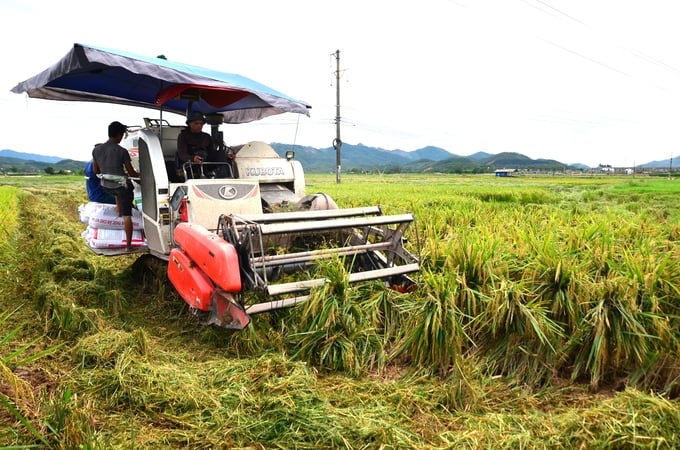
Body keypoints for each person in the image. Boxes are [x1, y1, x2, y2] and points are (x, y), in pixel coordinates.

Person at [92, 121, 140, 251]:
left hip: (106, 186)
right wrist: (141, 176)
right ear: (119, 135)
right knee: (127, 215)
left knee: (117, 192)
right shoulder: (122, 151)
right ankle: (128, 246)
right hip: (121, 188)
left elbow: (96, 171)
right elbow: (131, 173)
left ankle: (119, 211)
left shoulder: (96, 150)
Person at [177, 111, 215, 178]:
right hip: (190, 165)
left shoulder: (207, 136)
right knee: (200, 154)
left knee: (221, 154)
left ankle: (225, 177)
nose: (199, 126)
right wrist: (192, 158)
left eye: (201, 124)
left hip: (206, 162)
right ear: (189, 124)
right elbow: (182, 154)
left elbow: (212, 152)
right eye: (196, 123)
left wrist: (226, 155)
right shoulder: (183, 136)